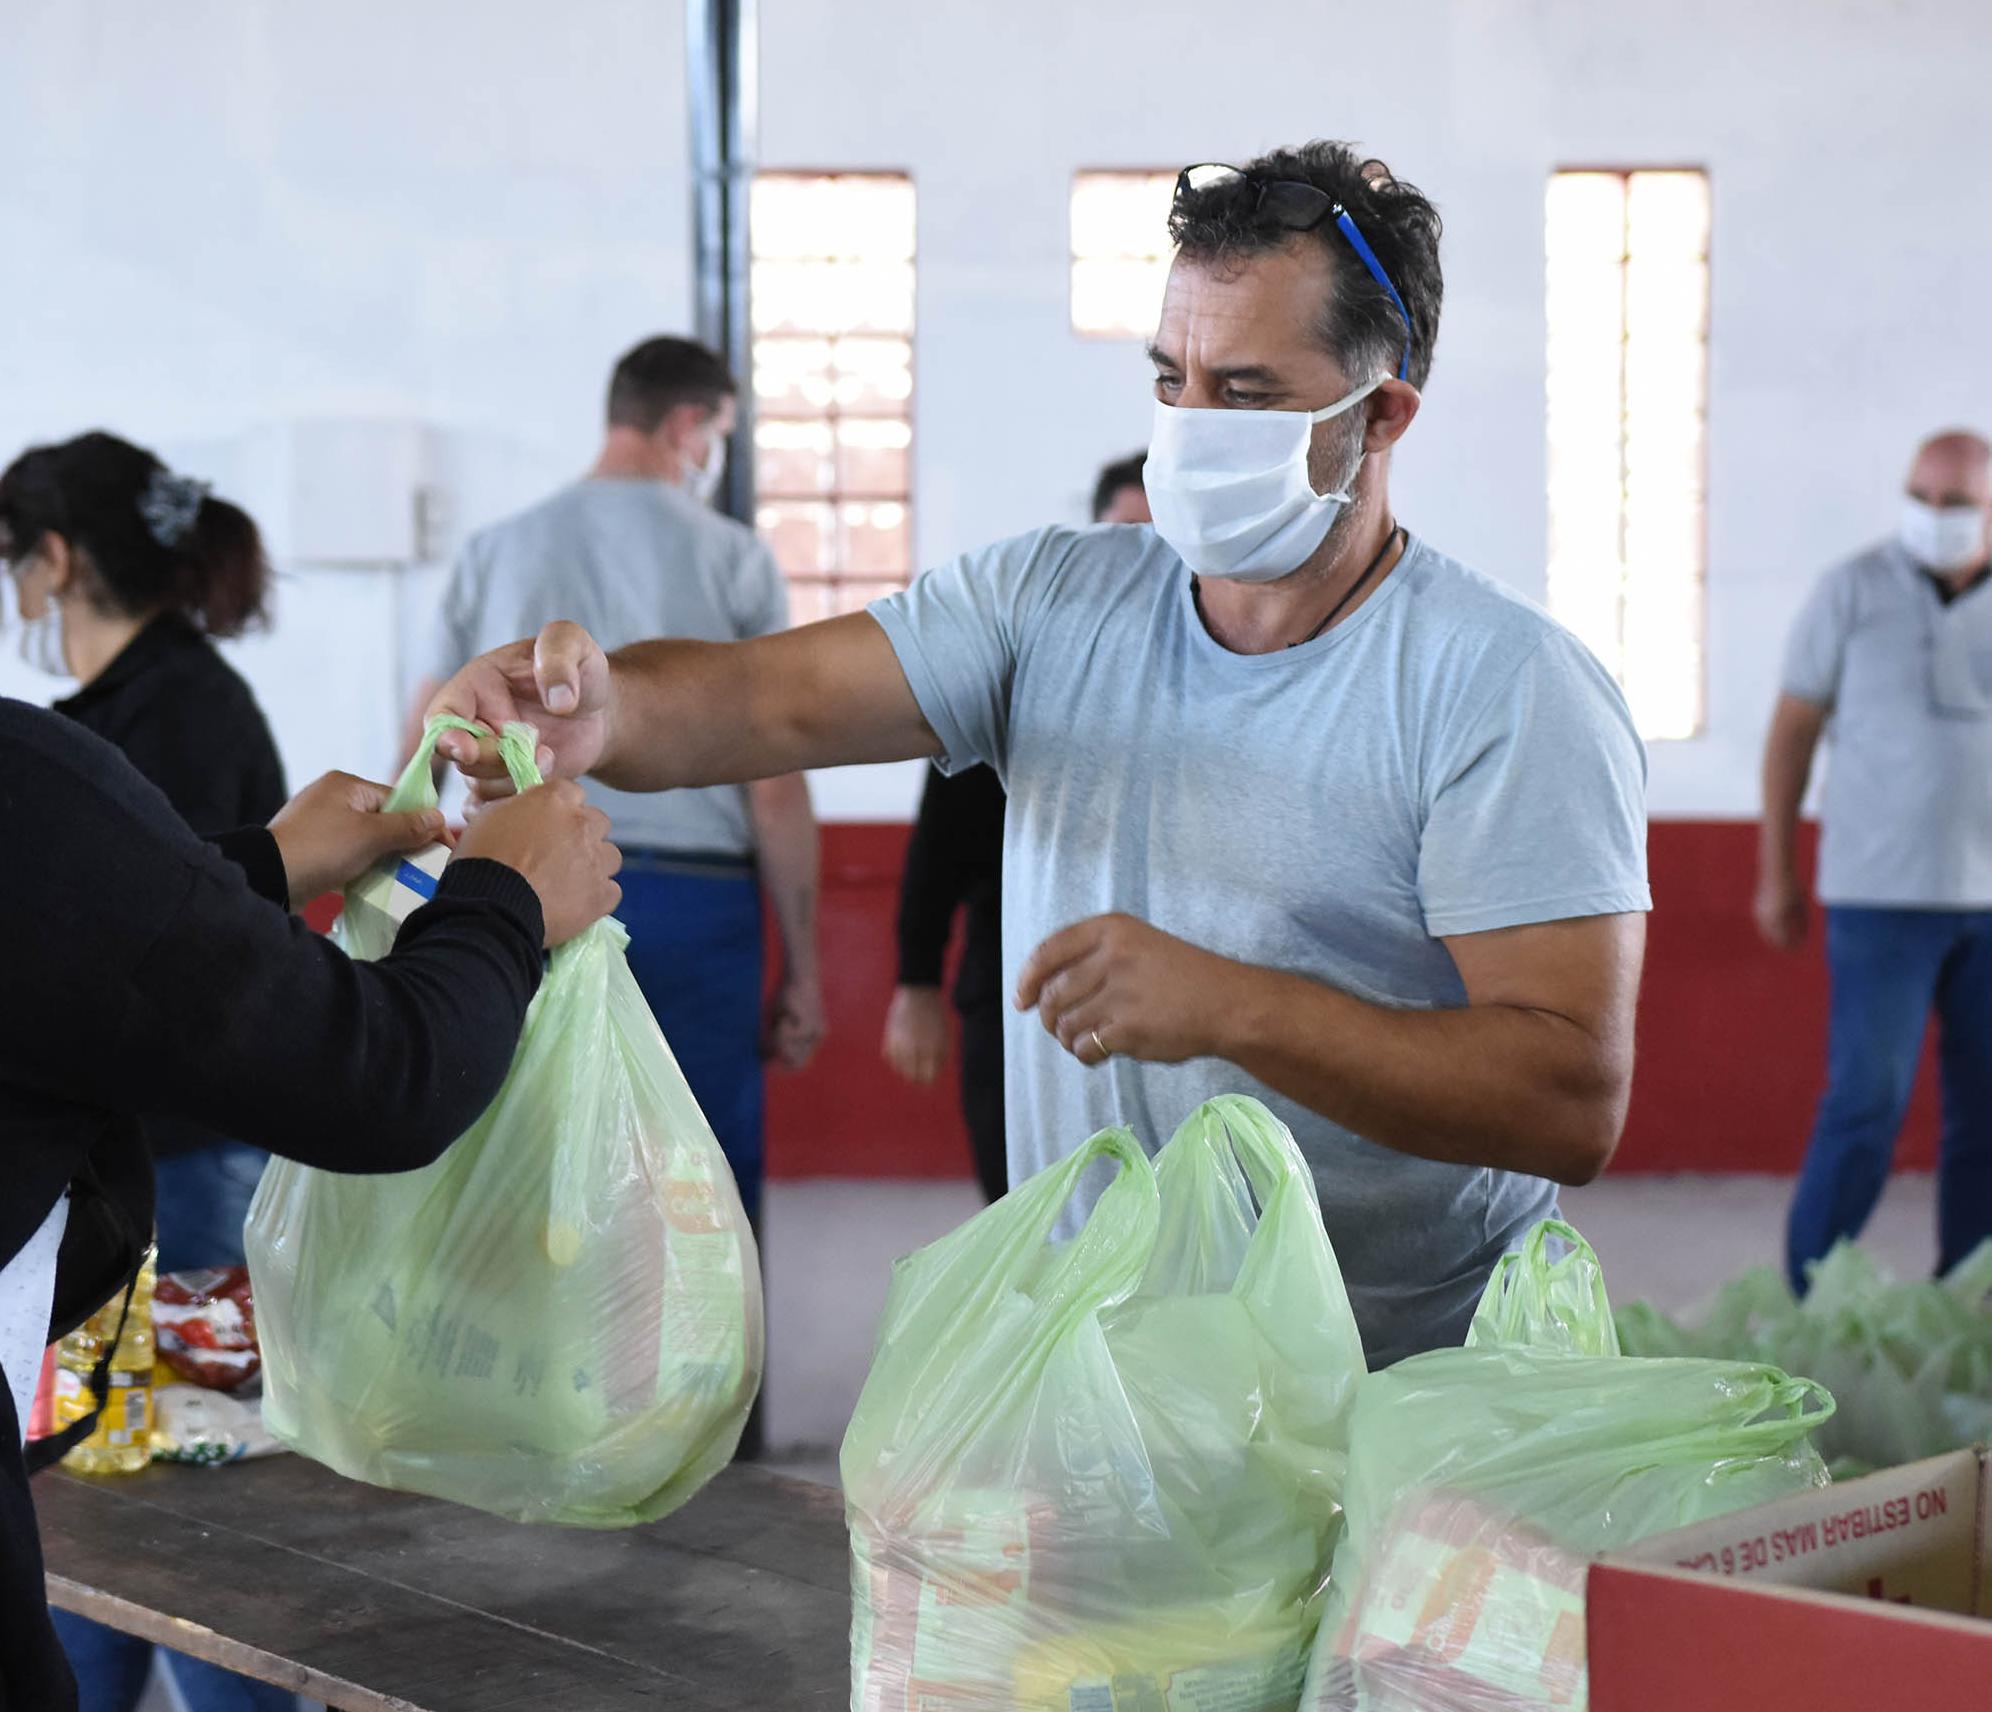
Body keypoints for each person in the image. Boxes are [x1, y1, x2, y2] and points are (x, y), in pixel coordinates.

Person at [433, 142, 1651, 1368]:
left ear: (1380, 416)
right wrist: (609, 712)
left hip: (1394, 1386)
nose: (1188, 428)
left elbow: (1567, 1098)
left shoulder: (1504, 686)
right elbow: (777, 698)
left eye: (1245, 393)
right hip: (1101, 1381)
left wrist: (1235, 1005)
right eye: (1170, 379)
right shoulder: (1055, 601)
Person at [0, 678, 622, 1710]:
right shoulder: (27, 787)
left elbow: (62, 936)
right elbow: (385, 1078)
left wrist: (252, 871)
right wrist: (503, 895)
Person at [419, 335, 824, 1257]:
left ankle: (526, 1392)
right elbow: (775, 780)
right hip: (698, 908)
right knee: (697, 1177)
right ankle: (711, 1393)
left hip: (518, 892)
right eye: (717, 433)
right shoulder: (732, 559)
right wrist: (800, 967)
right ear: (689, 425)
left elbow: (429, 734)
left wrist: (424, 897)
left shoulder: (493, 552)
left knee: (528, 1165)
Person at [1757, 429, 1992, 1292]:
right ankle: (1809, 1296)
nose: (1936, 517)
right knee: (1865, 1103)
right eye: (1922, 497)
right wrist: (1775, 868)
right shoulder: (1850, 591)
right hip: (1878, 898)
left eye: (1958, 503)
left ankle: (1972, 1300)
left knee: (1986, 1119)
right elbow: (1792, 732)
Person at [883, 453, 1150, 1202]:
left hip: (1161, 1009)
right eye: (1123, 538)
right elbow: (940, 842)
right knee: (1025, 1219)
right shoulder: (1025, 670)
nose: (1143, 562)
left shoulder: (1223, 679)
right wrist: (915, 983)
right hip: (1016, 1003)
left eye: (1162, 541)